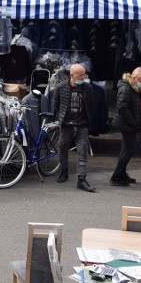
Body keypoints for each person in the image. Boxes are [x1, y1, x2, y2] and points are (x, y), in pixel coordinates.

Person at [52, 63, 96, 192]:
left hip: (82, 125)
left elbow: (90, 105)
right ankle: (63, 171)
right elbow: (56, 104)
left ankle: (81, 179)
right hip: (66, 125)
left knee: (83, 152)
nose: (83, 77)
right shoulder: (60, 87)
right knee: (62, 148)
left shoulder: (88, 88)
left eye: (84, 74)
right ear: (72, 75)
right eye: (80, 75)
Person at [110, 67, 141, 186]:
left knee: (127, 150)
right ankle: (117, 175)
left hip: (128, 122)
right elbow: (122, 107)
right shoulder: (127, 88)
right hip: (126, 123)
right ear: (134, 78)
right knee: (128, 150)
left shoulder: (132, 87)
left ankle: (121, 174)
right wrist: (133, 122)